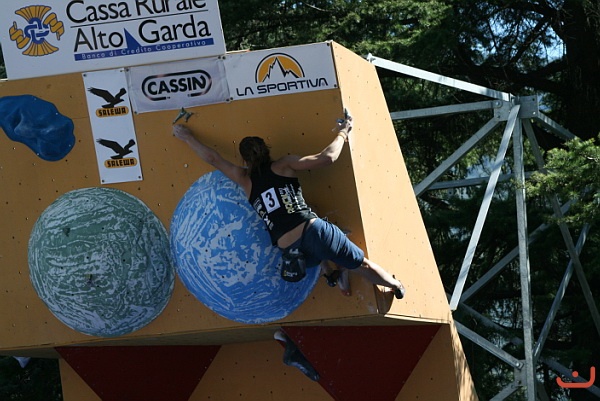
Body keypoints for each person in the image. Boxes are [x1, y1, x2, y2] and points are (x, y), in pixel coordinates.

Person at [172, 114, 405, 299]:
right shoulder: (284, 165)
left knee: (317, 228)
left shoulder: (243, 178)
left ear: (244, 160)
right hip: (314, 233)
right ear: (267, 149)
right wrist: (343, 132)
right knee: (360, 263)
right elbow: (327, 158)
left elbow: (213, 158)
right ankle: (395, 285)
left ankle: (332, 274)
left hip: (294, 254)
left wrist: (187, 137)